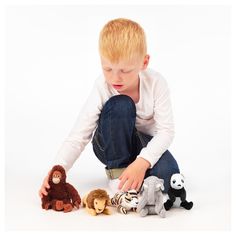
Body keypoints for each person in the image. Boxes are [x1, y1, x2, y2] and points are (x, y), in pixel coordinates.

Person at [39, 18, 180, 198]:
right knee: (121, 104)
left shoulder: (156, 83)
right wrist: (57, 169)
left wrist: (143, 161)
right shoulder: (102, 86)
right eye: (108, 69)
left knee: (169, 178)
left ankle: (135, 174)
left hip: (141, 144)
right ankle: (117, 174)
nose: (115, 79)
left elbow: (166, 131)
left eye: (125, 71)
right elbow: (78, 136)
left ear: (144, 62)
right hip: (108, 143)